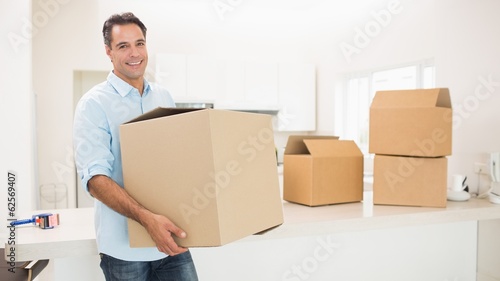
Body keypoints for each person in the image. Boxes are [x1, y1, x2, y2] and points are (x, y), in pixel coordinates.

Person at [73, 12, 199, 281]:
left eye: (139, 43)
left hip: (171, 241)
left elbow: (175, 162)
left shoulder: (163, 97)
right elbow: (95, 180)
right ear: (108, 51)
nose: (134, 53)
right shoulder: (93, 104)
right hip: (124, 251)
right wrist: (147, 220)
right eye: (123, 46)